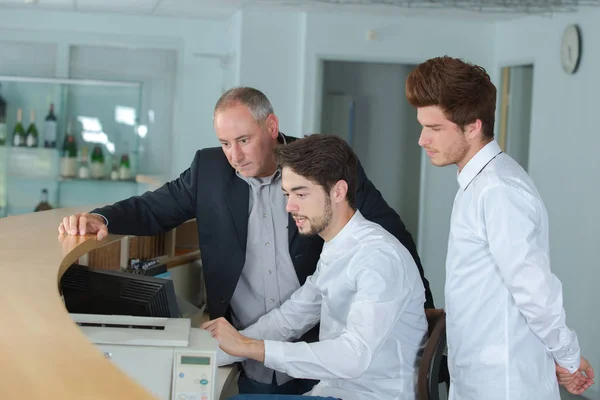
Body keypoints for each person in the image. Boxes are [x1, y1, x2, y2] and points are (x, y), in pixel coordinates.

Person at [57, 87, 434, 395]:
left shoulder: (322, 170)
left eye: (243, 140)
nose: (234, 156)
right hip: (285, 364)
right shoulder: (334, 250)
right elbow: (155, 209)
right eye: (224, 143)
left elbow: (393, 245)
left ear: (271, 127)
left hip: (327, 366)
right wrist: (216, 349)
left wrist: (425, 321)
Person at [405, 56, 594, 399]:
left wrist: (567, 357)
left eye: (434, 128)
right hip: (478, 376)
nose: (422, 139)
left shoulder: (498, 190)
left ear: (473, 126)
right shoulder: (478, 184)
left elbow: (534, 288)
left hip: (504, 384)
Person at [202, 134, 428, 400]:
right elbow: (288, 320)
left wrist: (250, 347)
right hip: (332, 393)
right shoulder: (336, 248)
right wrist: (211, 351)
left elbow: (353, 356)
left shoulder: (377, 257)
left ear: (338, 191)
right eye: (287, 194)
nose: (289, 206)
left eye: (301, 193)